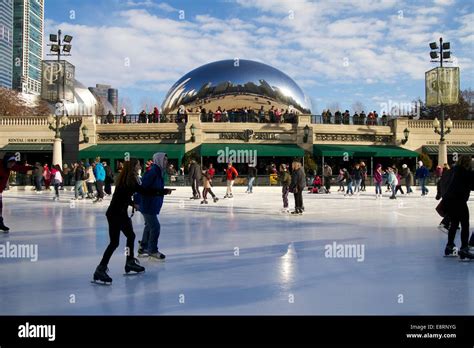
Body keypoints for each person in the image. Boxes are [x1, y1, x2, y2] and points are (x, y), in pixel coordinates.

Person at [92, 158, 172, 284]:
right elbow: (144, 191)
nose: (140, 166)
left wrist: (132, 203)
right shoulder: (130, 180)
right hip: (116, 214)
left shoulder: (125, 179)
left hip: (118, 213)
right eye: (138, 165)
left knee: (129, 237)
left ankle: (128, 262)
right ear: (133, 166)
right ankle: (102, 268)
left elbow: (122, 195)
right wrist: (163, 191)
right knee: (115, 242)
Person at [136, 153, 172, 261]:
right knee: (155, 227)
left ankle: (143, 247)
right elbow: (143, 189)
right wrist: (161, 191)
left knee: (148, 226)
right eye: (164, 160)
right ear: (159, 160)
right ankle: (152, 250)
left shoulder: (159, 172)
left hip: (152, 204)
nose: (166, 162)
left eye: (167, 159)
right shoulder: (153, 172)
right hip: (148, 204)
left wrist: (162, 191)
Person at [442, 155, 474, 259]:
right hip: (459, 201)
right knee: (465, 224)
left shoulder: (455, 170)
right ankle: (464, 249)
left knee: (454, 223)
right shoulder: (466, 172)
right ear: (468, 163)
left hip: (449, 200)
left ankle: (449, 246)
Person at [0, 155, 32, 232]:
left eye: (13, 163)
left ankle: (0, 222)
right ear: (6, 161)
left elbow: (19, 168)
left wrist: (31, 167)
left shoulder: (10, 166)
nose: (12, 165)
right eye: (10, 162)